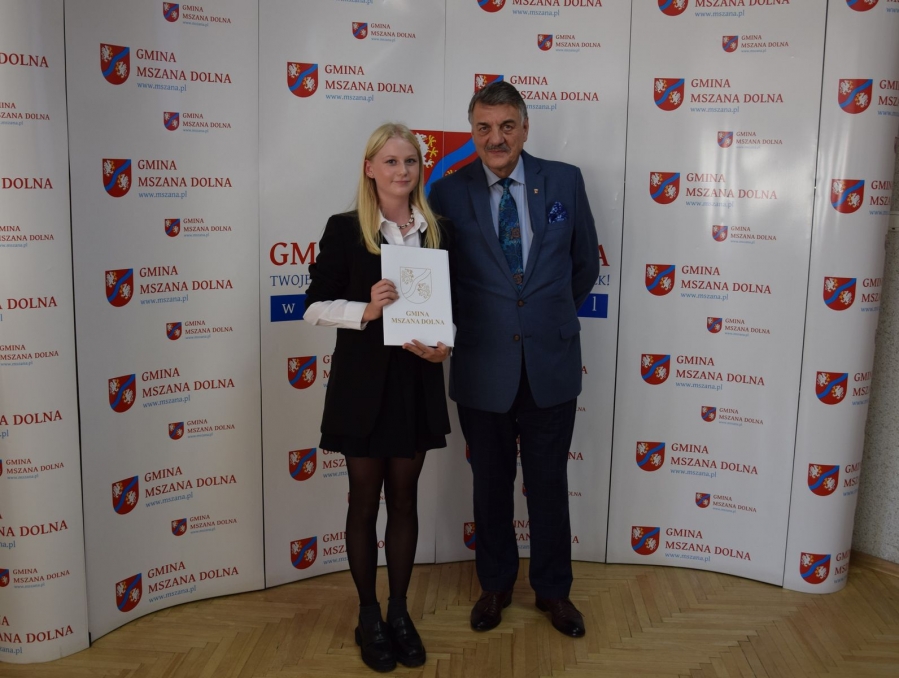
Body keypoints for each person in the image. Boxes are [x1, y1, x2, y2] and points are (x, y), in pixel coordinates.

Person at [428, 82, 598, 638]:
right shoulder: (447, 192)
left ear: (525, 127)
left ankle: (554, 591)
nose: (495, 138)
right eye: (484, 127)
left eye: (506, 126)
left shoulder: (565, 180)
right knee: (491, 484)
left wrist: (544, 317)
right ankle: (496, 585)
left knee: (548, 483)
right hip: (483, 365)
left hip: (551, 361)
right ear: (472, 132)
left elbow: (584, 265)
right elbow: (441, 279)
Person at [304, 123, 453, 672]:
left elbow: (452, 307)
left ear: (420, 168)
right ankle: (368, 615)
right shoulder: (345, 229)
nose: (401, 171)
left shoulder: (438, 232)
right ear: (370, 168)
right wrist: (364, 309)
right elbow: (313, 305)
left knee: (405, 500)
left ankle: (399, 612)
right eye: (390, 161)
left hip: (416, 381)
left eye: (410, 161)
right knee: (364, 502)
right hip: (362, 386)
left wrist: (445, 345)